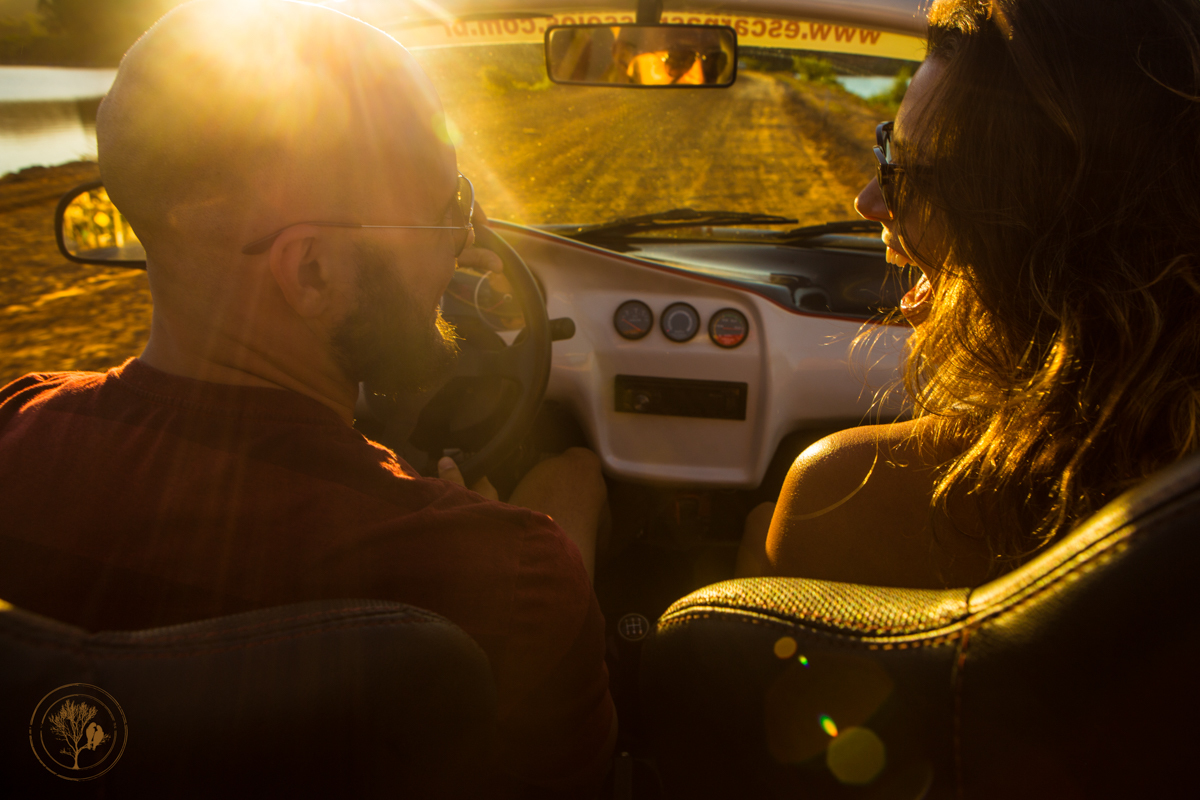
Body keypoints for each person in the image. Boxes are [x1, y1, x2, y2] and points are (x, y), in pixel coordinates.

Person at [0, 0, 614, 792]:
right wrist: (520, 521)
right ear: (313, 272)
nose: (466, 238)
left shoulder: (14, 431)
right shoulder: (514, 578)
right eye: (446, 210)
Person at [737, 0, 1200, 588]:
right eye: (887, 147)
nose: (868, 201)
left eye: (911, 173)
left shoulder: (847, 491)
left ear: (1047, 231)